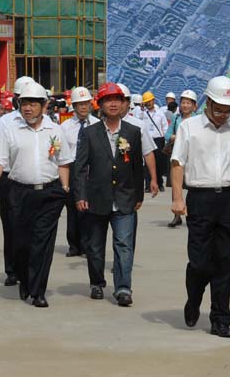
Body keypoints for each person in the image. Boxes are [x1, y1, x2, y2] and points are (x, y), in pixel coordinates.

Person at [171, 76, 230, 339]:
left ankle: (220, 319)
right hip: (200, 199)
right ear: (207, 102)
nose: (223, 115)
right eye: (219, 109)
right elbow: (177, 163)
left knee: (224, 262)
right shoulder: (189, 127)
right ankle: (194, 299)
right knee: (199, 262)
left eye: (228, 110)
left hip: (229, 200)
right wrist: (177, 198)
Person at [0, 82, 71, 308]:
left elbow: (63, 161)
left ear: (44, 106)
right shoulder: (10, 128)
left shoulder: (55, 130)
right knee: (21, 242)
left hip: (49, 193)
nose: (27, 108)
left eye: (33, 104)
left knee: (43, 243)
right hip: (19, 192)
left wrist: (65, 188)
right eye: (24, 103)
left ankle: (38, 292)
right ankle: (25, 280)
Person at [73, 83, 144, 306]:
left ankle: (123, 288)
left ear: (124, 104)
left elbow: (137, 166)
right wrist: (80, 195)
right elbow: (80, 167)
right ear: (100, 105)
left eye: (117, 100)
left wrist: (139, 195)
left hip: (125, 198)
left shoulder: (133, 132)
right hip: (96, 198)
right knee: (95, 246)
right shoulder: (89, 133)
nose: (113, 104)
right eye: (108, 100)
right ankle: (97, 282)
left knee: (124, 245)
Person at [0, 75, 36, 287]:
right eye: (23, 99)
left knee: (33, 227)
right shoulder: (6, 122)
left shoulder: (46, 122)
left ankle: (32, 268)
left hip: (34, 180)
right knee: (12, 226)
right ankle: (12, 269)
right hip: (9, 180)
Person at [60, 86, 100, 257]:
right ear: (74, 106)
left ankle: (87, 244)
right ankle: (74, 245)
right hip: (72, 170)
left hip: (91, 171)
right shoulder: (65, 126)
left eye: (86, 103)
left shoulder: (98, 125)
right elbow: (61, 152)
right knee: (72, 210)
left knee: (89, 210)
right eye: (79, 104)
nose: (83, 107)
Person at [164, 90, 198, 228]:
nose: (185, 105)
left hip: (193, 156)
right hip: (177, 155)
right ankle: (177, 215)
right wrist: (178, 137)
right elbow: (167, 135)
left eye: (188, 103)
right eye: (183, 102)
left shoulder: (198, 119)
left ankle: (192, 212)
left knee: (192, 185)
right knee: (176, 185)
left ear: (194, 106)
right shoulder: (176, 118)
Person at [141, 91, 168, 192]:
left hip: (158, 140)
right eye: (146, 102)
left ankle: (159, 183)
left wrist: (165, 139)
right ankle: (148, 185)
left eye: (149, 101)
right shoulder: (142, 113)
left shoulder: (160, 113)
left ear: (153, 100)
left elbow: (165, 126)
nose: (148, 103)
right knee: (147, 163)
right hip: (147, 139)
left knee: (159, 162)